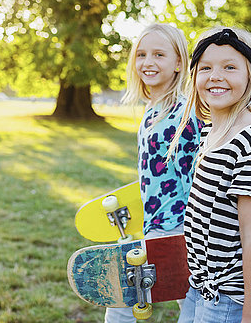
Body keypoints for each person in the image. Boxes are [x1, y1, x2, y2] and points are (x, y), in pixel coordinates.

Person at [168, 27, 251, 323]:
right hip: (201, 286)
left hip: (230, 298)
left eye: (229, 67)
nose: (216, 76)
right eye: (206, 68)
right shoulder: (210, 132)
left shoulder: (249, 142)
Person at [105, 23, 202, 323]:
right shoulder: (152, 109)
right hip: (155, 225)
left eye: (159, 54)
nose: (148, 62)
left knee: (188, 306)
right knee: (125, 300)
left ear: (178, 64)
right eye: (141, 55)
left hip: (181, 229)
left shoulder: (187, 111)